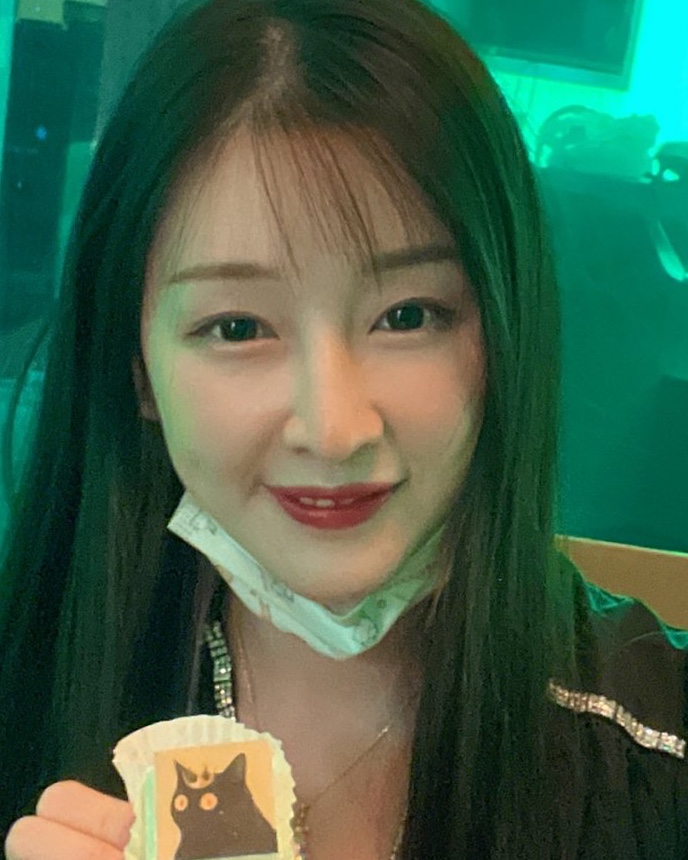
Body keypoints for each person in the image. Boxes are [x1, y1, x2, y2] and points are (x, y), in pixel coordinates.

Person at [1, 0, 687, 857]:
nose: (333, 431)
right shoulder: (27, 691)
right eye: (238, 327)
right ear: (137, 368)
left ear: (504, 336)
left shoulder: (658, 760)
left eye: (408, 315)